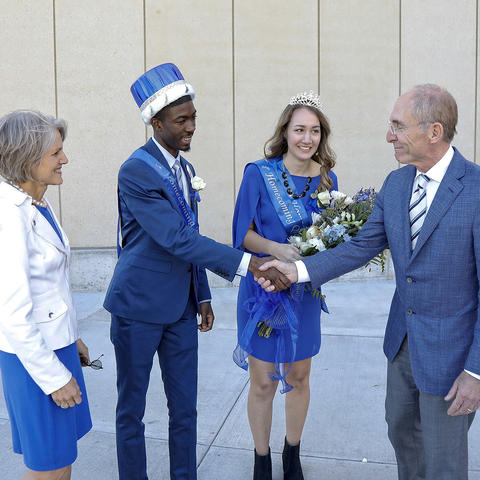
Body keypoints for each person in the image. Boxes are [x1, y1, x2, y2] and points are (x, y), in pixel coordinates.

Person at [257, 84, 480, 480]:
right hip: (402, 345)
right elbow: (359, 248)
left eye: (398, 125)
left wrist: (476, 371)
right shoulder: (396, 186)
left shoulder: (476, 190)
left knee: (445, 461)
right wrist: (299, 271)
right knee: (401, 433)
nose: (389, 135)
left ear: (434, 131)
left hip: (452, 356)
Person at [103, 63, 288, 480]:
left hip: (182, 309)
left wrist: (201, 294)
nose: (190, 127)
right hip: (137, 308)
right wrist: (247, 263)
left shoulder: (184, 169)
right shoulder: (137, 170)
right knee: (131, 411)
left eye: (193, 118)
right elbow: (176, 239)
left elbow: (191, 233)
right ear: (156, 122)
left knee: (184, 408)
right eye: (180, 120)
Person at [232, 92, 337, 480]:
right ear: (285, 132)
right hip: (263, 290)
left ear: (321, 135)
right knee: (261, 381)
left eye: (314, 131)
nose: (306, 139)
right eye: (299, 130)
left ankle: (292, 453)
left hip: (303, 294)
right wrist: (275, 247)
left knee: (298, 377)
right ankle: (262, 457)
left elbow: (331, 240)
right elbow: (240, 234)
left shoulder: (328, 179)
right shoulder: (258, 174)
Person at [0, 110, 92, 480]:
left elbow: (50, 286)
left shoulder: (36, 200)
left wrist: (73, 335)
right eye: (56, 153)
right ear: (27, 157)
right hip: (35, 360)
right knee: (50, 469)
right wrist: (54, 377)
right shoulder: (9, 216)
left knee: (60, 461)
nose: (64, 160)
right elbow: (12, 315)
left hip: (58, 343)